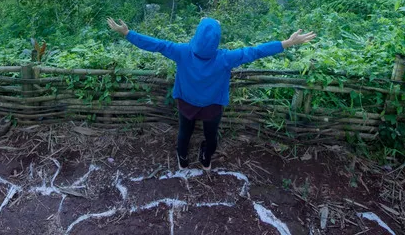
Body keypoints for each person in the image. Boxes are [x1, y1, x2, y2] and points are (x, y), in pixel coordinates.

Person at [107, 16, 316, 171]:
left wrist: (127, 33)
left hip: (186, 103)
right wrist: (288, 43)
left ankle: (183, 160)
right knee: (210, 135)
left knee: (184, 132)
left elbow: (155, 44)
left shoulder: (181, 51)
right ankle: (206, 160)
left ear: (196, 36)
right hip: (212, 106)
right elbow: (256, 51)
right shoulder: (226, 58)